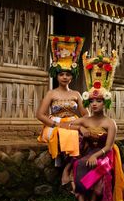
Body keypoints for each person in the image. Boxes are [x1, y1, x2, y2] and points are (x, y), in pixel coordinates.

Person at [59, 48, 124, 201]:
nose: (94, 104)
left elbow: (109, 146)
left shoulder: (110, 122)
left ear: (105, 103)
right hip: (89, 151)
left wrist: (95, 156)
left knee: (99, 167)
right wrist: (80, 127)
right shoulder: (85, 119)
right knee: (78, 164)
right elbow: (64, 126)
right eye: (92, 101)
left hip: (105, 154)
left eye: (98, 101)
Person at [36, 35, 90, 185]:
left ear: (72, 77)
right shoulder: (51, 93)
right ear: (56, 76)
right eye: (61, 74)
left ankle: (68, 169)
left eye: (68, 74)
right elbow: (39, 114)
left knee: (85, 137)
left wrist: (83, 123)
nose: (65, 77)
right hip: (55, 123)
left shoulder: (76, 94)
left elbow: (85, 114)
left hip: (73, 122)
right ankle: (69, 171)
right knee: (68, 134)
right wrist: (55, 125)